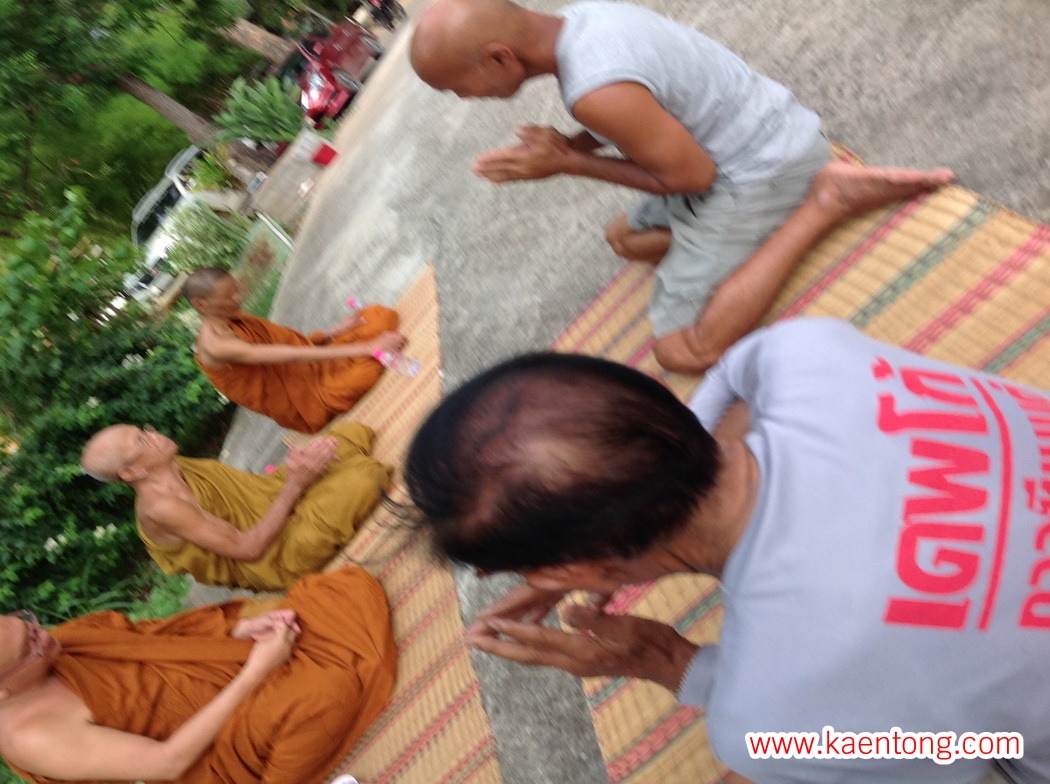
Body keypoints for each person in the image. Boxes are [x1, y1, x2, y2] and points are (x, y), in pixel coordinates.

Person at [405, 318, 1050, 783]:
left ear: (571, 569)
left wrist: (672, 663)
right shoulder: (802, 350)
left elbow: (954, 754)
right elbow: (726, 383)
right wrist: (606, 524)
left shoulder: (769, 716)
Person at [410, 0, 954, 373]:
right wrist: (572, 145)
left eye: (459, 87)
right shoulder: (586, 18)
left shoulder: (594, 90)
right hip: (766, 131)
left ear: (499, 56)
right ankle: (756, 233)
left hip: (759, 169)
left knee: (681, 351)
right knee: (624, 240)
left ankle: (827, 202)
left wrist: (568, 164)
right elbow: (641, 109)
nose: (464, 99)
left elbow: (692, 178)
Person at [0, 566, 396, 784]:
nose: (45, 635)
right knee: (325, 694)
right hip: (208, 757)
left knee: (332, 597)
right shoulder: (34, 738)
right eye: (31, 646)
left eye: (30, 623)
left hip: (219, 671)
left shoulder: (57, 644)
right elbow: (167, 763)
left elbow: (153, 638)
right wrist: (256, 672)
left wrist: (235, 631)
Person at [81, 420, 392, 591]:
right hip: (277, 555)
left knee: (352, 434)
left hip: (274, 499)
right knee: (365, 479)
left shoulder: (170, 463)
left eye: (144, 430)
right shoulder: (162, 509)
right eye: (142, 441)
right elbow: (249, 548)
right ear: (132, 473)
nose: (154, 435)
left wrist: (293, 477)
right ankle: (325, 493)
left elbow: (255, 492)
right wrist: (297, 483)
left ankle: (321, 489)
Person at [185, 267, 407, 433]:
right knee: (365, 372)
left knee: (378, 316)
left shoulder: (232, 318)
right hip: (310, 398)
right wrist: (367, 348)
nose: (238, 298)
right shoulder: (216, 347)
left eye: (236, 290)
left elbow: (291, 345)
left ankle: (362, 349)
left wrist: (333, 332)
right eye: (228, 297)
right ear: (200, 304)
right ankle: (363, 353)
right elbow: (291, 355)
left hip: (314, 362)